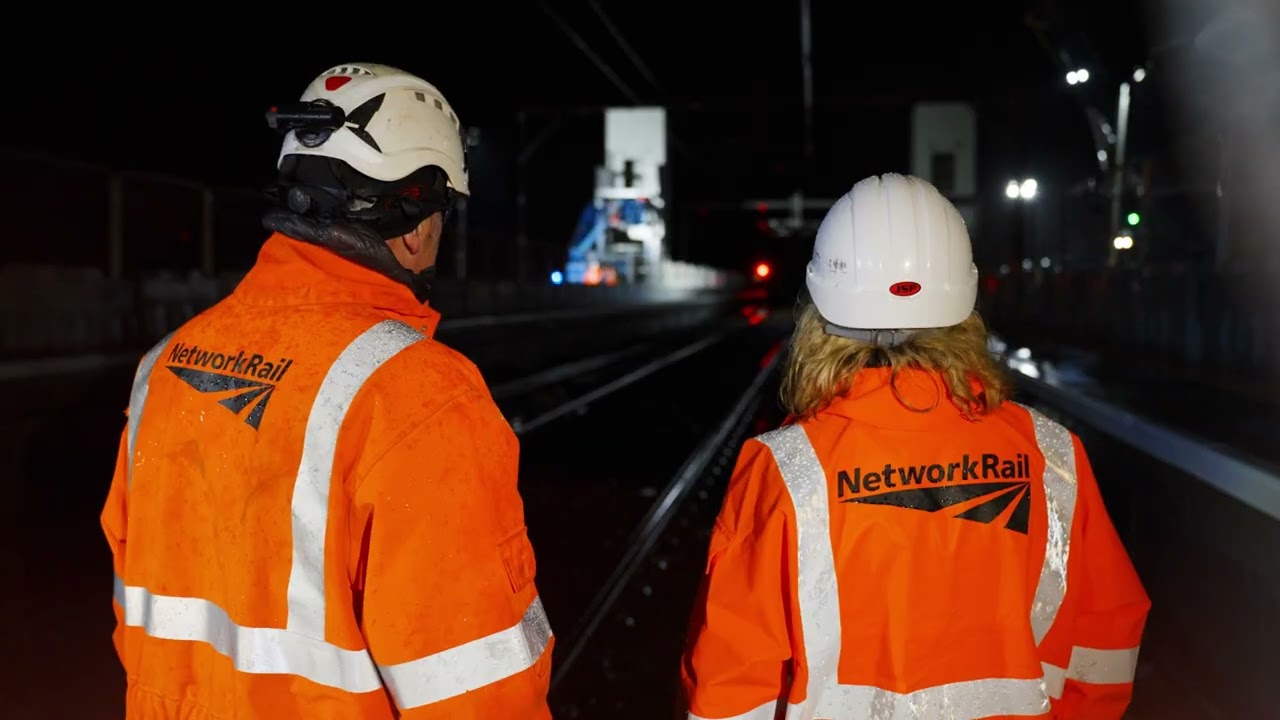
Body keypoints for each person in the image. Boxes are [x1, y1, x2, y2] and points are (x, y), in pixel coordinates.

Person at [101, 63, 553, 719]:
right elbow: (475, 688)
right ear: (419, 221)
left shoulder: (163, 366)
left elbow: (133, 609)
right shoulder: (418, 393)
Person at [680, 174, 1149, 720]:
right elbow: (1106, 645)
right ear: (965, 301)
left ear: (819, 308)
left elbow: (731, 686)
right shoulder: (1053, 456)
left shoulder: (787, 468)